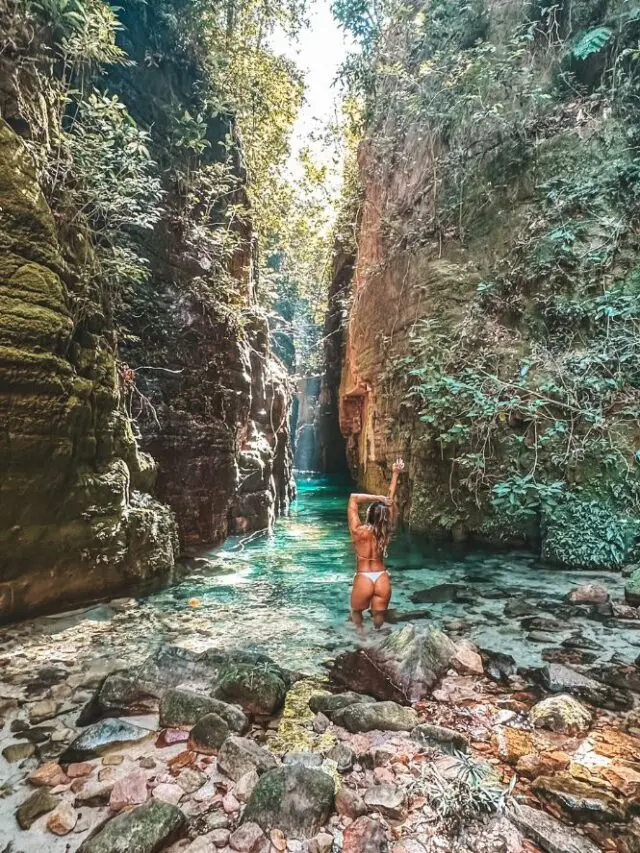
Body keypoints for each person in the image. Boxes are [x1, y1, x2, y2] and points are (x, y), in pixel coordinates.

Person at [348, 457, 404, 628]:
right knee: (379, 615)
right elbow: (390, 500)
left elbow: (353, 498)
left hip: (363, 577)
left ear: (369, 514)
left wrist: (377, 497)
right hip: (381, 577)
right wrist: (395, 473)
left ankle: (363, 642)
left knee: (356, 612)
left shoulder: (358, 531)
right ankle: (377, 639)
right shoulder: (385, 532)